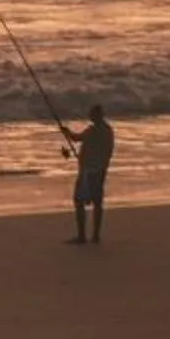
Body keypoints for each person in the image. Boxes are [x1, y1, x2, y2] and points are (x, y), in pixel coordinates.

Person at [62, 103, 115, 244]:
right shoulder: (109, 131)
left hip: (88, 172)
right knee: (97, 202)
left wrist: (66, 132)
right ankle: (96, 235)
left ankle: (82, 236)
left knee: (79, 201)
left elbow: (76, 138)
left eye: (91, 114)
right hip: (101, 171)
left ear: (96, 115)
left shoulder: (92, 131)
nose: (89, 116)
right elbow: (106, 152)